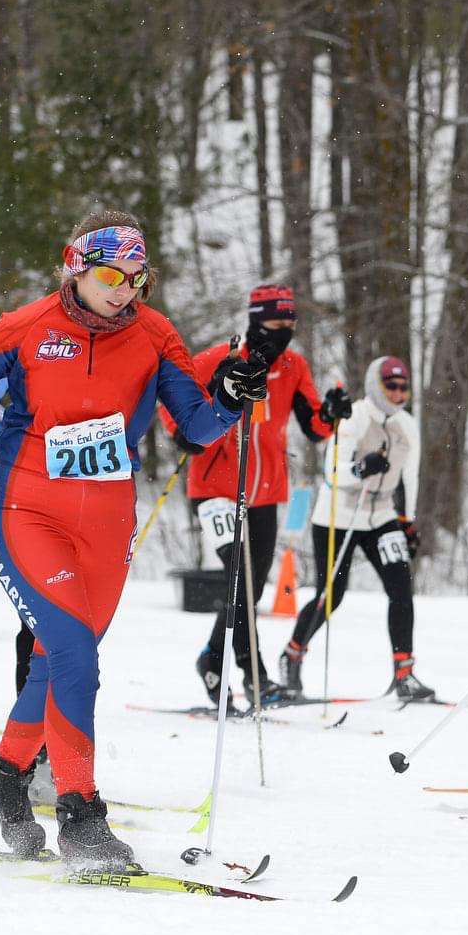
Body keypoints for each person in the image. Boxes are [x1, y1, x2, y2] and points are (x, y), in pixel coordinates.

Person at [0, 213, 263, 870]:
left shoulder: (155, 334)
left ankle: (4, 774)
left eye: (137, 278)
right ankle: (81, 816)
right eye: (110, 275)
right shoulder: (25, 328)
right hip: (28, 506)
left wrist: (230, 395)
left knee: (58, 659)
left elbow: (195, 426)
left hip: (106, 518)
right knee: (75, 655)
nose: (123, 290)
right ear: (74, 265)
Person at [165, 284, 348, 707]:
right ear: (253, 320)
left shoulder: (294, 366)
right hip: (216, 490)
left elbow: (315, 427)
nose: (282, 331)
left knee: (251, 589)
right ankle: (256, 676)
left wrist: (333, 413)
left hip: (265, 494)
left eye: (289, 323)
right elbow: (175, 412)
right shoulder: (218, 359)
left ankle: (213, 660)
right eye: (273, 322)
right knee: (240, 579)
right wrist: (191, 429)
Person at [279, 356, 428, 701]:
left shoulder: (407, 424)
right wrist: (361, 469)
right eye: (391, 385)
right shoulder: (353, 418)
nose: (398, 392)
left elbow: (411, 476)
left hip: (380, 517)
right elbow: (333, 474)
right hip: (338, 516)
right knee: (331, 595)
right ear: (377, 385)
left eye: (403, 386)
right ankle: (292, 655)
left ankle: (404, 673)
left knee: (401, 587)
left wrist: (408, 520)